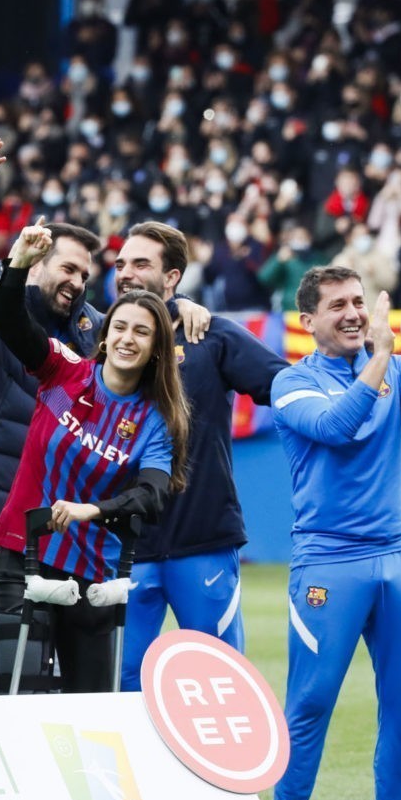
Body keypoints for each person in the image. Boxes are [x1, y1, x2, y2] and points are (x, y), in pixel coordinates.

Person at [0, 218, 190, 694]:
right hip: (24, 554)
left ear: (157, 348)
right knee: (16, 698)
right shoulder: (64, 373)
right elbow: (11, 322)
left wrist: (91, 511)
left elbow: (152, 495)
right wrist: (18, 265)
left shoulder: (155, 419)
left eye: (142, 332)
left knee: (89, 719)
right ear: (105, 334)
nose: (127, 339)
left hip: (94, 576)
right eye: (119, 326)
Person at [270, 269, 401, 800]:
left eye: (360, 301)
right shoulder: (290, 383)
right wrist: (385, 358)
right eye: (338, 305)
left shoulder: (399, 365)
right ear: (309, 322)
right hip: (329, 561)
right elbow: (337, 426)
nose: (354, 313)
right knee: (311, 700)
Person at [111, 221, 288, 689]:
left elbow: (285, 387)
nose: (126, 273)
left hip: (203, 542)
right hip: (124, 549)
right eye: (120, 264)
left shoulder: (211, 336)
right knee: (118, 691)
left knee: (222, 687)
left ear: (172, 278)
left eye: (140, 263)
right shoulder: (99, 343)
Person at [0, 219, 102, 695]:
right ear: (36, 265)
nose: (77, 282)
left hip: (58, 530)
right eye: (68, 268)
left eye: (85, 276)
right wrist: (7, 266)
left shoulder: (91, 335)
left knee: (47, 678)